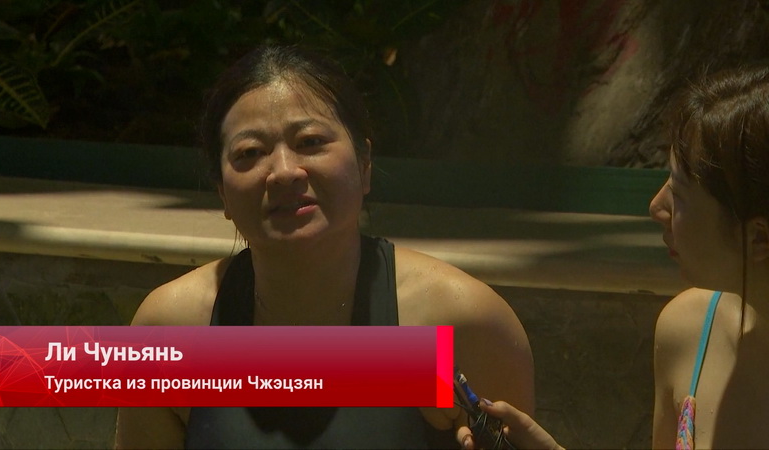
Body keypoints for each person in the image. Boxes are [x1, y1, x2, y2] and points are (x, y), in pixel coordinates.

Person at [114, 44, 534, 449]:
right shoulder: (170, 329)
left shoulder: (461, 323)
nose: (284, 172)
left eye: (311, 142)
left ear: (364, 164)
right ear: (222, 192)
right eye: (250, 152)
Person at [461, 63, 769, 449]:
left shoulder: (444, 306)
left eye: (679, 193)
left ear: (758, 237)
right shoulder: (688, 332)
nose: (656, 207)